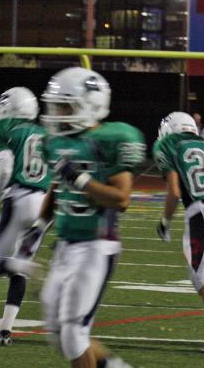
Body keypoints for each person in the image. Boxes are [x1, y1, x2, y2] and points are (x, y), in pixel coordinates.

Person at [32, 67, 146, 368]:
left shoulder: (110, 138)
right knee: (58, 333)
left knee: (73, 332)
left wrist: (81, 180)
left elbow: (121, 199)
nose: (57, 113)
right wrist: (39, 226)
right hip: (65, 245)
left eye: (65, 106)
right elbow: (57, 187)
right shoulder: (55, 142)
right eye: (56, 106)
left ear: (90, 105)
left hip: (96, 245)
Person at [153, 111, 204, 353]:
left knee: (201, 276)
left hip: (201, 213)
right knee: (202, 274)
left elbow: (175, 191)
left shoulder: (168, 143)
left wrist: (165, 221)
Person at [0, 87, 51, 346]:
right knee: (15, 264)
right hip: (44, 205)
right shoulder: (47, 133)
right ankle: (5, 331)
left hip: (19, 199)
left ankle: (31, 268)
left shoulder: (1, 128)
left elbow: (4, 168)